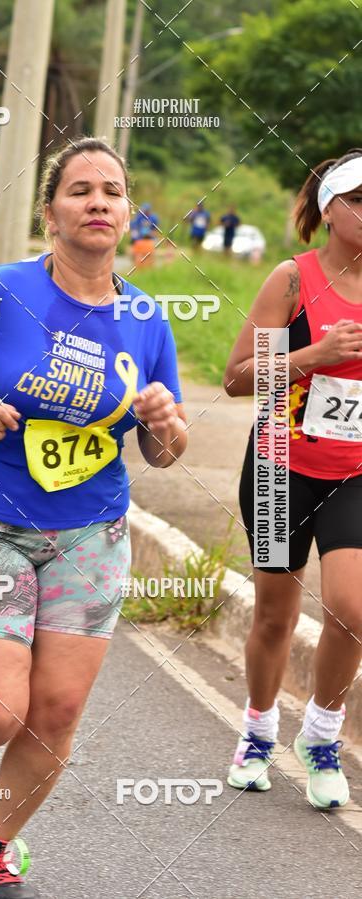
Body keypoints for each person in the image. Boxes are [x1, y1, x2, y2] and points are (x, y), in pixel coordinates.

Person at [0, 136, 187, 898]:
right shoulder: (2, 290)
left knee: (54, 708)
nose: (98, 201)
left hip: (93, 534)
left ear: (127, 214)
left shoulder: (148, 319)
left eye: (113, 191)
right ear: (50, 211)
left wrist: (162, 422)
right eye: (80, 189)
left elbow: (165, 450)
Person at [224, 149, 362, 809]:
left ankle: (323, 735)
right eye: (359, 200)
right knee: (276, 614)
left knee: (354, 610)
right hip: (281, 462)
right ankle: (256, 729)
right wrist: (313, 354)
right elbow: (237, 377)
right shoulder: (291, 278)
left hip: (355, 471)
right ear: (330, 209)